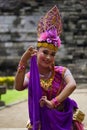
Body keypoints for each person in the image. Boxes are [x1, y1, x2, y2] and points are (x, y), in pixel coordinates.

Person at [14, 5, 85, 130]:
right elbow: (18, 87)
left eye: (52, 54)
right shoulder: (31, 76)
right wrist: (23, 60)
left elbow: (72, 85)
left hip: (64, 118)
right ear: (37, 52)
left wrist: (53, 103)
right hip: (42, 122)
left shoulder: (62, 71)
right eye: (45, 52)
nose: (48, 57)